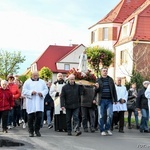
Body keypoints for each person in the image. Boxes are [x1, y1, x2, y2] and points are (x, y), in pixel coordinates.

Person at [22, 71, 48, 137]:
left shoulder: (42, 82)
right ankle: (31, 131)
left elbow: (46, 90)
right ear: (31, 75)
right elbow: (24, 91)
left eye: (37, 75)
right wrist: (31, 92)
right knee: (30, 118)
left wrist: (42, 93)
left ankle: (37, 130)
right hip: (31, 102)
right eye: (34, 75)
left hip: (39, 102)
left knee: (39, 117)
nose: (36, 77)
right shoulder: (27, 82)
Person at [95, 67, 117, 136]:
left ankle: (107, 128)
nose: (105, 72)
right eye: (104, 71)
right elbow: (95, 91)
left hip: (109, 100)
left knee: (110, 115)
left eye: (106, 71)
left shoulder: (110, 80)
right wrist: (97, 88)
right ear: (101, 72)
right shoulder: (98, 80)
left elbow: (113, 90)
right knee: (101, 115)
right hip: (101, 100)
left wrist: (115, 99)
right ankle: (102, 130)